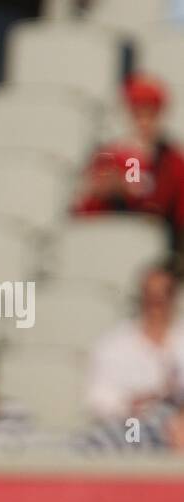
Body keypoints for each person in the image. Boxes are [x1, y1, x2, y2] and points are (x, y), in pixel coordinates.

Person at [73, 75, 184, 251]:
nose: (144, 123)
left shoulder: (173, 161)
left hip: (159, 245)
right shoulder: (109, 157)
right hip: (108, 241)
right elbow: (86, 212)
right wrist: (102, 192)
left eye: (151, 115)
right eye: (138, 114)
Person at [86, 264, 184, 422]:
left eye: (163, 295)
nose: (156, 303)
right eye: (151, 296)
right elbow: (97, 399)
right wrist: (130, 405)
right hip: (130, 434)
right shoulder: (113, 344)